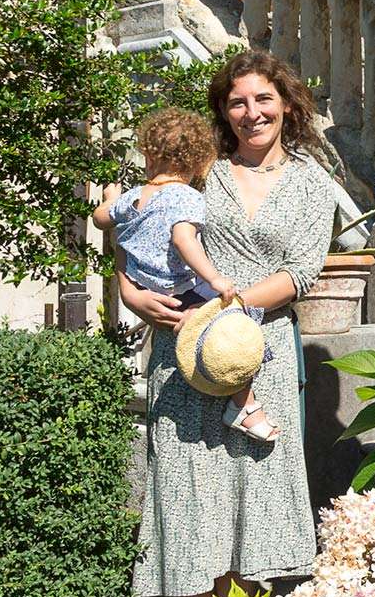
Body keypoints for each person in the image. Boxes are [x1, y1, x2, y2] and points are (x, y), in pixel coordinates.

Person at [118, 50, 333, 597]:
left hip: (257, 356)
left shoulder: (314, 186)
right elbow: (137, 237)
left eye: (263, 99)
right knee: (190, 499)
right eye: (237, 102)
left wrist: (222, 309)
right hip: (183, 360)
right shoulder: (195, 177)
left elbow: (300, 275)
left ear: (287, 105)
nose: (251, 112)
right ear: (223, 111)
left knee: (255, 499)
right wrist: (131, 293)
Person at [96, 108, 278, 443]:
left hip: (146, 287)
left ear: (149, 156)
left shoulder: (134, 196)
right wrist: (216, 279)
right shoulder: (186, 197)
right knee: (240, 323)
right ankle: (243, 403)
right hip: (181, 286)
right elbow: (184, 240)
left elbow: (100, 219)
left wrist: (111, 198)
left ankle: (207, 362)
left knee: (198, 327)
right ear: (197, 163)